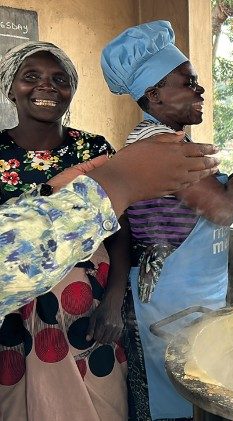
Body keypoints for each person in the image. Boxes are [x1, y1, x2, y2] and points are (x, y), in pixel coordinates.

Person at [101, 20, 233, 420]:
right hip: (167, 308)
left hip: (192, 303)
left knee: (196, 394)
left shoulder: (172, 142)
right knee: (176, 401)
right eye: (189, 82)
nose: (200, 91)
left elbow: (218, 195)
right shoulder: (159, 147)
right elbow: (222, 209)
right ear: (155, 95)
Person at [0, 41, 130, 419]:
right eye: (31, 78)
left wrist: (115, 300)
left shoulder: (93, 149)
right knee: (19, 404)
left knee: (101, 399)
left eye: (60, 79)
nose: (47, 87)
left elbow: (120, 229)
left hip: (85, 303)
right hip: (13, 308)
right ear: (11, 88)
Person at [1, 134, 220, 319]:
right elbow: (12, 257)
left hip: (85, 298)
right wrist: (112, 186)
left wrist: (50, 193)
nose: (198, 91)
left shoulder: (94, 145)